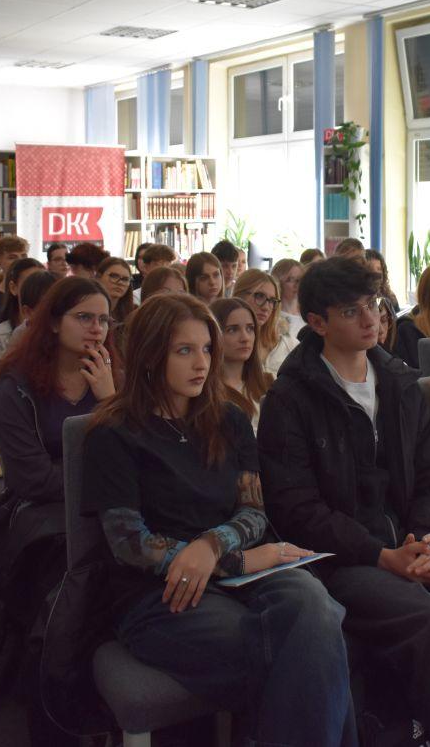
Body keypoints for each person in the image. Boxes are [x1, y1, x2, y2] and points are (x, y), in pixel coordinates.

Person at [259, 257, 430, 747]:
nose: (370, 319)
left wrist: (424, 541)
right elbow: (295, 509)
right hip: (341, 559)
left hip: (411, 543)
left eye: (373, 304)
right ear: (317, 322)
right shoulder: (291, 398)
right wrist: (382, 555)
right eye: (351, 311)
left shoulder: (399, 382)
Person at [81, 293, 356, 747]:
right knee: (294, 646)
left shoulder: (229, 417)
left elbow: (253, 510)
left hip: (237, 569)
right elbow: (130, 544)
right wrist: (237, 561)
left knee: (316, 607)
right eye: (184, 350)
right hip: (156, 590)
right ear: (150, 355)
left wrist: (213, 547)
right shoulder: (114, 431)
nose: (202, 363)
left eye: (207, 348)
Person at [0, 275, 117, 520]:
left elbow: (139, 456)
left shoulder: (116, 380)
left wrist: (110, 401)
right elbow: (31, 478)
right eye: (84, 317)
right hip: (44, 508)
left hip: (111, 503)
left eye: (103, 320)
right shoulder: (17, 388)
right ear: (54, 322)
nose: (96, 328)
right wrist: (110, 481)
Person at [211, 297, 273, 431]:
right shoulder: (207, 391)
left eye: (250, 328)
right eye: (232, 330)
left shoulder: (268, 382)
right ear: (214, 335)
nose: (245, 338)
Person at [232, 269, 295, 376]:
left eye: (272, 301)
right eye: (259, 296)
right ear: (239, 296)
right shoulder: (224, 342)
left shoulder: (289, 345)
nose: (266, 307)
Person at [0, 257, 44, 358]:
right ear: (13, 287)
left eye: (43, 283)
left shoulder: (57, 327)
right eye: (29, 283)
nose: (38, 290)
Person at [0, 269, 58, 359]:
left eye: (58, 307)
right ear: (28, 312)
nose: (55, 314)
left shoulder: (65, 333)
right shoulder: (20, 337)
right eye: (46, 309)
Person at [95, 255, 137, 334]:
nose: (120, 282)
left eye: (125, 279)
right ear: (98, 277)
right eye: (114, 276)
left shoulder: (134, 312)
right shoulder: (86, 307)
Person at [270, 258, 306, 338]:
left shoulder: (307, 315)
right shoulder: (272, 316)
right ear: (278, 283)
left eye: (300, 280)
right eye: (290, 280)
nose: (297, 285)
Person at [364, 248, 400, 314]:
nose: (376, 273)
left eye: (379, 269)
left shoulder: (390, 296)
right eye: (371, 269)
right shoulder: (361, 299)